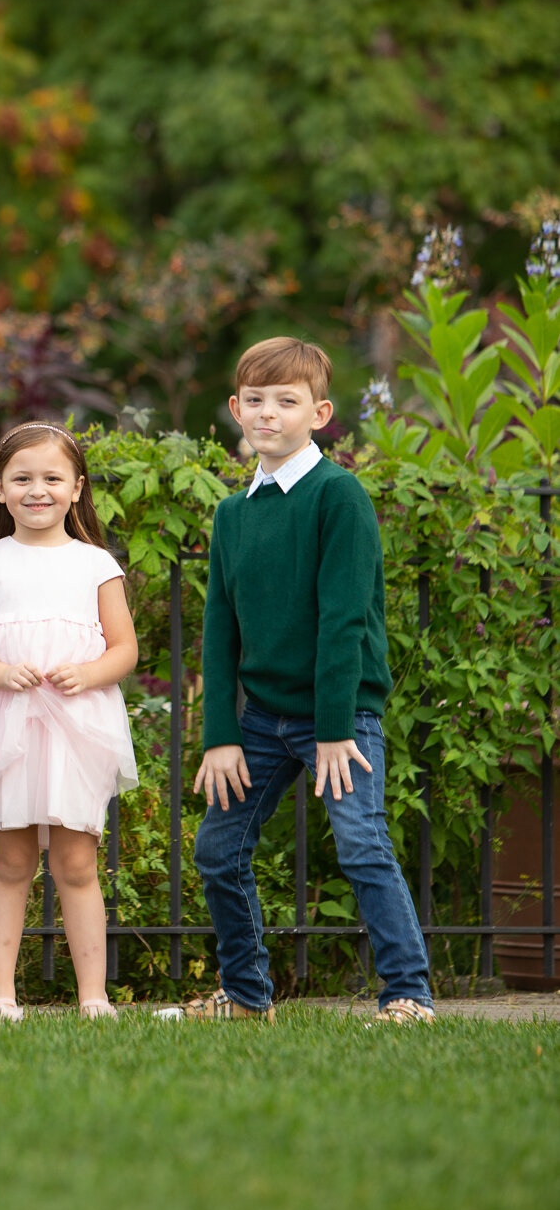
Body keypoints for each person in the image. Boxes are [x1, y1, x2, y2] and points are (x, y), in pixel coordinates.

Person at [190, 337, 434, 1025]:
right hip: (262, 719)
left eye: (286, 401)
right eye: (256, 400)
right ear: (237, 409)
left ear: (319, 413)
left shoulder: (338, 496)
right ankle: (243, 996)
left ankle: (407, 995)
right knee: (217, 850)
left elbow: (343, 622)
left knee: (360, 845)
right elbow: (218, 629)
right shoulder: (233, 513)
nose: (269, 413)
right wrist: (221, 736)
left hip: (339, 717)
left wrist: (332, 730)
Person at [0, 422, 138, 1021]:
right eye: (22, 478)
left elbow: (124, 649)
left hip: (76, 725)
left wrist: (91, 672)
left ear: (76, 488)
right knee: (11, 861)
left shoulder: (95, 564)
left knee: (78, 863)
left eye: (52, 478)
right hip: (6, 726)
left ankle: (93, 996)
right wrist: (0, 673)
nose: (38, 490)